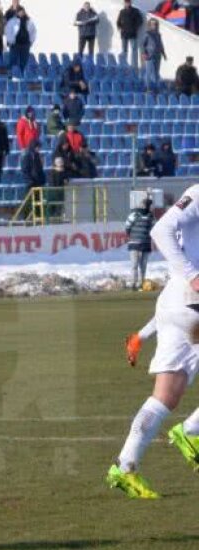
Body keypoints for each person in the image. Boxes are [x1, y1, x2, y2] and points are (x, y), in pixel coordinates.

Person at [105, 186, 199, 498]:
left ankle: (125, 465)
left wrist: (142, 335)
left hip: (177, 303)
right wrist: (192, 275)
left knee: (164, 398)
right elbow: (160, 229)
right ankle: (190, 433)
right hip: (190, 302)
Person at [125, 197, 156, 291]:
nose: (149, 207)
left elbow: (154, 228)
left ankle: (141, 283)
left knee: (143, 265)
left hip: (145, 244)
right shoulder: (134, 214)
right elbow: (127, 226)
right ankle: (133, 284)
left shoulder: (151, 216)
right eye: (148, 205)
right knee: (134, 264)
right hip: (135, 243)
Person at [5, 6, 36, 72]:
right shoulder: (12, 21)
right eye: (19, 12)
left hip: (25, 44)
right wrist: (10, 41)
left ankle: (22, 75)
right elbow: (8, 31)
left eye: (22, 11)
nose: (21, 13)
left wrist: (31, 41)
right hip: (15, 44)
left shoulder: (29, 22)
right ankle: (11, 75)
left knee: (24, 62)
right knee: (13, 61)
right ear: (17, 13)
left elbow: (33, 32)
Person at [117, 0, 143, 65]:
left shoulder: (135, 11)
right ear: (124, 3)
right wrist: (119, 27)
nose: (127, 3)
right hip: (124, 34)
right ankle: (124, 65)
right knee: (124, 50)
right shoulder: (122, 11)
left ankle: (134, 66)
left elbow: (140, 21)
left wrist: (135, 28)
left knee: (134, 50)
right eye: (126, 2)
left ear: (131, 3)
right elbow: (118, 21)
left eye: (128, 2)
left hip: (133, 34)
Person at [142, 18, 165, 91]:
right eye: (152, 24)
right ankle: (146, 87)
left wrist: (163, 53)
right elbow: (143, 44)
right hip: (149, 55)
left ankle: (156, 88)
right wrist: (144, 53)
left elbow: (160, 44)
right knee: (148, 72)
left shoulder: (158, 34)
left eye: (155, 24)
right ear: (149, 25)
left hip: (157, 55)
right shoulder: (147, 34)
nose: (154, 25)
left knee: (156, 72)